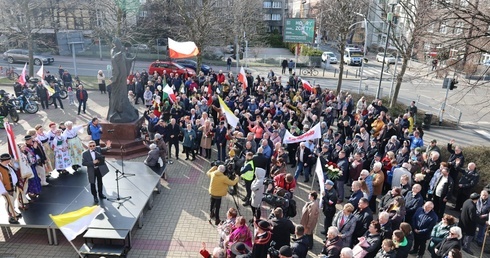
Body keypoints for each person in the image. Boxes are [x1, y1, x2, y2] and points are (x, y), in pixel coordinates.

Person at [0, 154, 22, 224]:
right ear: (5, 160)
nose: (10, 160)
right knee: (9, 202)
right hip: (6, 190)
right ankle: (11, 216)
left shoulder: (8, 165)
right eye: (9, 159)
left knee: (13, 200)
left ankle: (13, 211)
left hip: (13, 187)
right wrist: (3, 191)